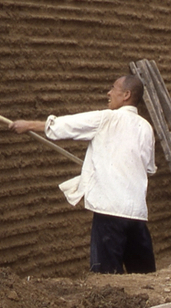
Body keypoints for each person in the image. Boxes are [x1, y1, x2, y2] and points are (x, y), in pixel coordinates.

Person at [9, 75, 157, 274]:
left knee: (106, 279)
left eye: (113, 88)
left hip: (109, 213)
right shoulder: (146, 127)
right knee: (145, 278)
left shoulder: (106, 118)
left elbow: (66, 125)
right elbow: (148, 167)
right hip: (137, 215)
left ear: (126, 95)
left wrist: (27, 125)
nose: (109, 92)